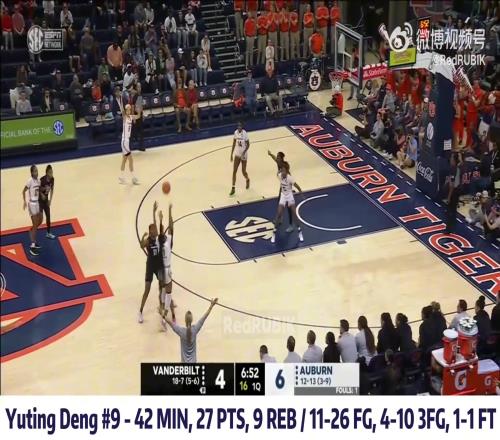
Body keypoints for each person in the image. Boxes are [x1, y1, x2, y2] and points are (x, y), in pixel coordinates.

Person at [164, 298, 218, 363]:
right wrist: (211, 306)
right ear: (192, 320)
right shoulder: (195, 329)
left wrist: (162, 314)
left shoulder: (181, 331)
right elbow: (204, 317)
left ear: (185, 320)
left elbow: (170, 322)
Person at [138, 202, 163, 323]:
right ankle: (140, 311)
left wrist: (154, 212)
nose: (156, 230)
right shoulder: (148, 240)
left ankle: (162, 310)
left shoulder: (157, 237)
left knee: (161, 287)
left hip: (158, 265)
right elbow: (141, 245)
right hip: (150, 265)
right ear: (150, 231)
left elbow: (155, 223)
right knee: (147, 289)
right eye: (153, 229)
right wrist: (142, 237)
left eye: (155, 229)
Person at [271, 162, 304, 243]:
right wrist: (279, 171)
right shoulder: (279, 176)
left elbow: (297, 186)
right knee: (279, 214)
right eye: (282, 171)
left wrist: (301, 194)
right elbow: (277, 174)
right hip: (283, 196)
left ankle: (300, 232)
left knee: (294, 214)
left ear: (287, 171)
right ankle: (273, 234)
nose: (283, 172)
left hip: (289, 196)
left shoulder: (290, 178)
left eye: (284, 171)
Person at [157, 204, 176, 330]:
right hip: (167, 269)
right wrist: (169, 211)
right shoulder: (169, 242)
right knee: (168, 293)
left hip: (161, 270)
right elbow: (171, 227)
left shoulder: (159, 243)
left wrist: (160, 219)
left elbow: (162, 231)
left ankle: (163, 314)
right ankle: (165, 316)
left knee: (162, 292)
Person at [268, 150, 293, 232]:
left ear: (281, 158)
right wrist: (270, 154)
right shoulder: (278, 162)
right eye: (277, 157)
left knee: (288, 206)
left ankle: (291, 225)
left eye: (278, 157)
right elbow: (274, 158)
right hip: (283, 186)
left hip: (287, 187)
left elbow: (289, 176)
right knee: (280, 202)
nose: (277, 158)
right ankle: (280, 218)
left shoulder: (284, 165)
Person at [117, 95, 139, 185]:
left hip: (127, 141)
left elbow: (138, 116)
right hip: (124, 141)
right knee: (130, 159)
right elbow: (122, 110)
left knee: (124, 160)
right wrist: (120, 100)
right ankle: (133, 178)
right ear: (126, 111)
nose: (129, 111)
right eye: (128, 109)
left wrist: (139, 109)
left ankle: (121, 177)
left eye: (130, 109)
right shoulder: (125, 117)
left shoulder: (130, 117)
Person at [22, 165, 42, 256]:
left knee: (40, 221)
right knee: (35, 224)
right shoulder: (29, 181)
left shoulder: (39, 181)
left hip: (37, 203)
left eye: (37, 171)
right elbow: (23, 191)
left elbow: (38, 191)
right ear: (32, 172)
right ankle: (32, 246)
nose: (36, 173)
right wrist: (24, 202)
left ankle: (32, 231)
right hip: (32, 204)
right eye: (35, 171)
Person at [230, 121, 251, 196]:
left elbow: (248, 145)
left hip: (244, 154)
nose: (239, 127)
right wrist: (231, 154)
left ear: (242, 126)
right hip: (237, 154)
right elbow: (233, 143)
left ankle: (247, 179)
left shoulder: (245, 133)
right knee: (234, 171)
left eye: (240, 126)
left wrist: (244, 152)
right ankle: (233, 188)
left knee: (243, 171)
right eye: (238, 126)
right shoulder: (235, 132)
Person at [39, 165, 56, 240]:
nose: (51, 174)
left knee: (48, 216)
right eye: (50, 172)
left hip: (46, 201)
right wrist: (41, 194)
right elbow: (37, 189)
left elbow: (52, 190)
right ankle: (33, 230)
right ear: (46, 173)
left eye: (52, 172)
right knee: (40, 219)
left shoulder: (52, 179)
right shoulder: (42, 180)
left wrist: (50, 200)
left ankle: (48, 233)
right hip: (39, 201)